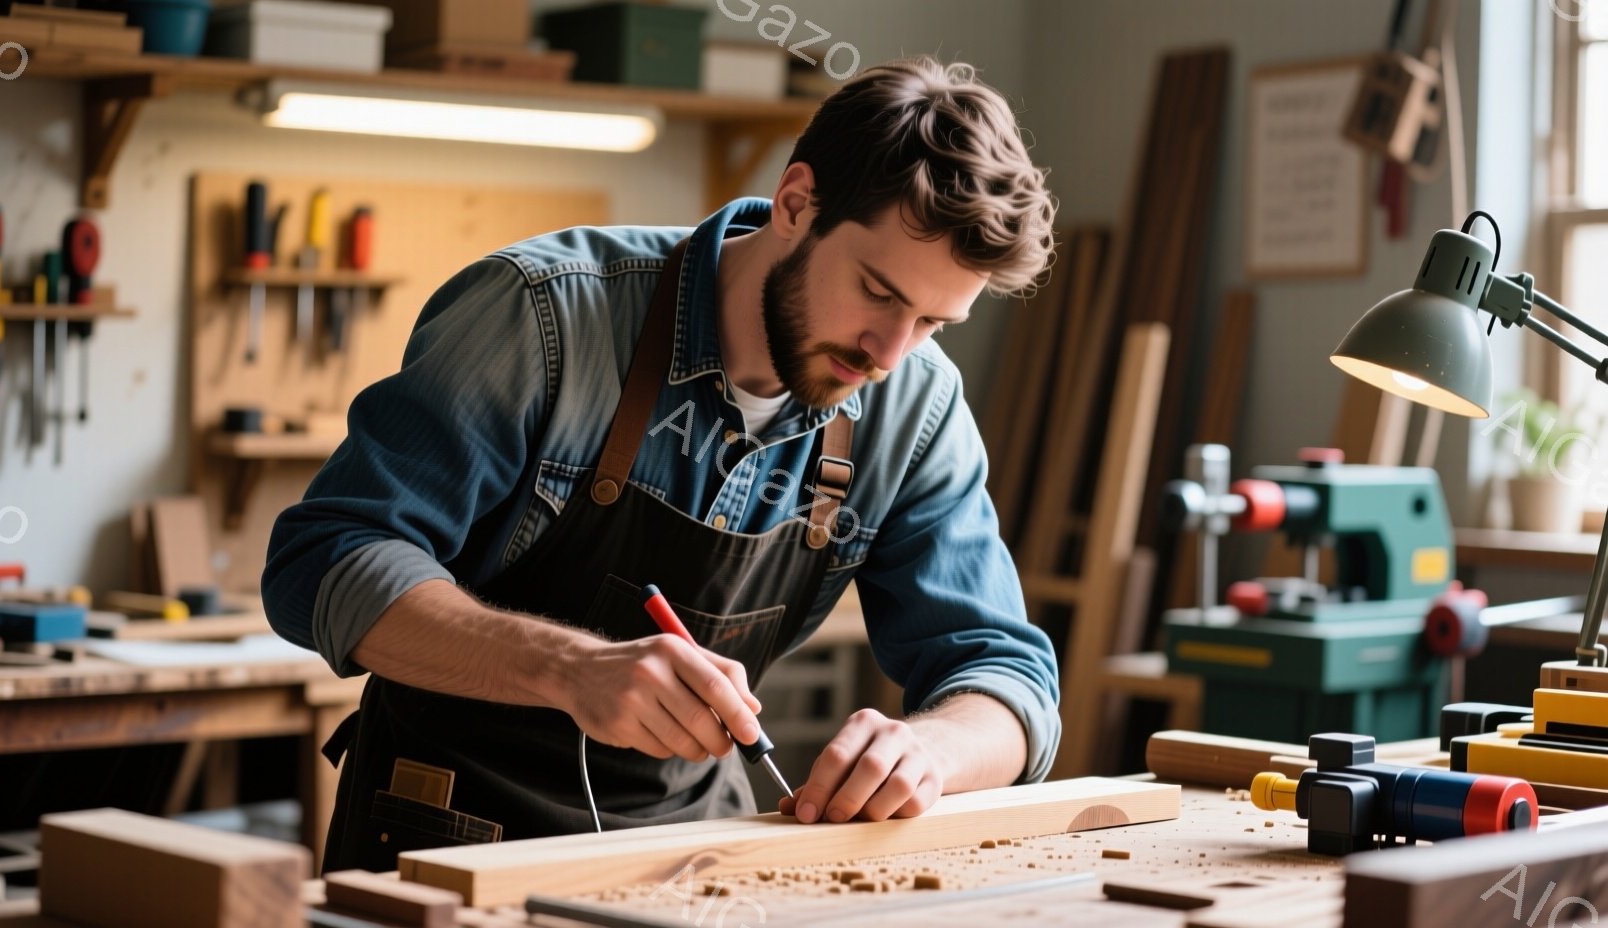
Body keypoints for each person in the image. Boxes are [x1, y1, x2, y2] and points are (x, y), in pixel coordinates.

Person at [263, 55, 1061, 872]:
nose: (890, 352)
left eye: (933, 321)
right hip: (446, 840)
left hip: (687, 859)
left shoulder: (916, 411)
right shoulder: (543, 318)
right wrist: (570, 667)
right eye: (879, 293)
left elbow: (1008, 679)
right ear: (795, 204)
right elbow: (322, 561)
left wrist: (932, 751)